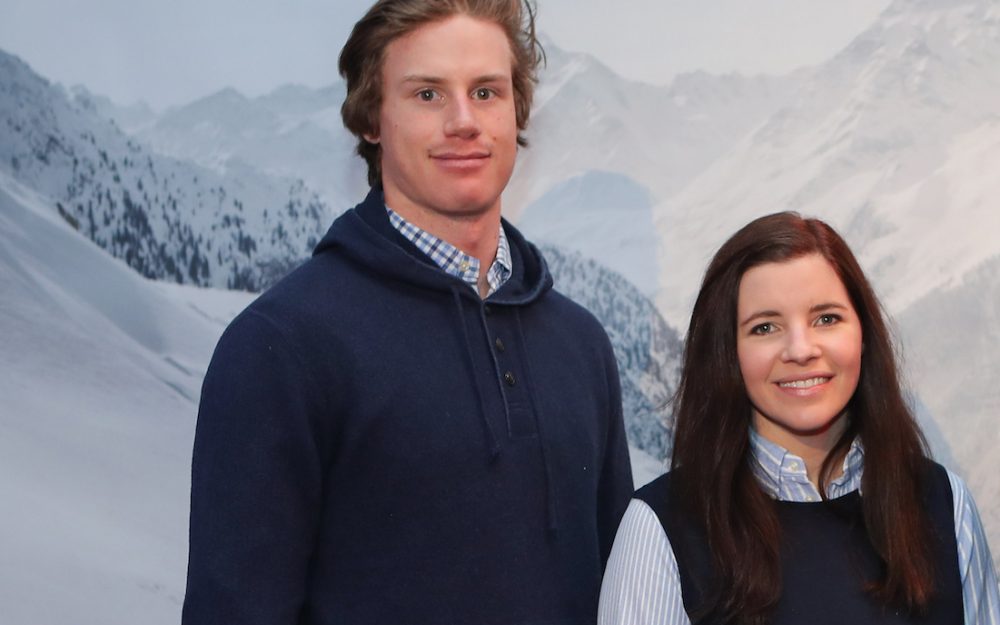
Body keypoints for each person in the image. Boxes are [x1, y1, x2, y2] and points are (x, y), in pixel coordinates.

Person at [181, 1, 634, 624]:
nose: (464, 121)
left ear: (517, 109)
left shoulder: (580, 344)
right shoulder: (281, 346)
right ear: (373, 117)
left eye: (486, 91)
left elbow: (624, 601)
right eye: (427, 94)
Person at [598, 212, 1000, 625]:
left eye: (826, 318)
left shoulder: (943, 503)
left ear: (863, 335)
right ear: (727, 354)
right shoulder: (662, 529)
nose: (801, 349)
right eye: (765, 327)